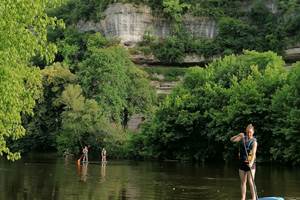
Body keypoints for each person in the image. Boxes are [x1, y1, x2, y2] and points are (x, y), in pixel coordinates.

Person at [230, 124, 258, 200]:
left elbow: (253, 154)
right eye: (247, 132)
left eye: (250, 132)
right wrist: (238, 135)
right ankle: (243, 198)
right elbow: (232, 140)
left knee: (251, 182)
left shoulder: (254, 142)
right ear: (246, 132)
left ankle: (254, 198)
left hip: (250, 164)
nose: (249, 134)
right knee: (243, 182)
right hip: (242, 163)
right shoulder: (243, 138)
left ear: (253, 132)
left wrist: (251, 163)